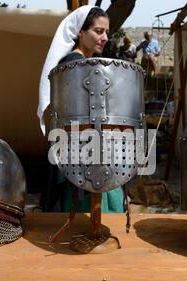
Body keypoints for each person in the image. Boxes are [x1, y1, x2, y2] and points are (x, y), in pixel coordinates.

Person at [37, 6, 125, 214]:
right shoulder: (73, 64)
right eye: (98, 31)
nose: (104, 38)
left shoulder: (83, 64)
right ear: (81, 32)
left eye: (106, 32)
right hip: (78, 154)